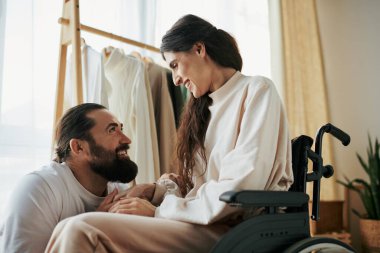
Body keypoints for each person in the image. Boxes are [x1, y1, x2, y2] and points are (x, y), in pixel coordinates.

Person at [45, 14, 293, 253]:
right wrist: (155, 191)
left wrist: (158, 211)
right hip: (198, 222)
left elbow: (240, 187)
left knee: (81, 229)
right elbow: (197, 188)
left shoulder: (256, 90)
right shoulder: (202, 109)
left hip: (234, 229)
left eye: (174, 65)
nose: (174, 80)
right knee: (69, 226)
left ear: (199, 49)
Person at [0, 103, 138, 253]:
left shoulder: (119, 191)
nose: (126, 139)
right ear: (78, 147)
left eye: (121, 129)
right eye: (112, 130)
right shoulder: (38, 189)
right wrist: (93, 224)